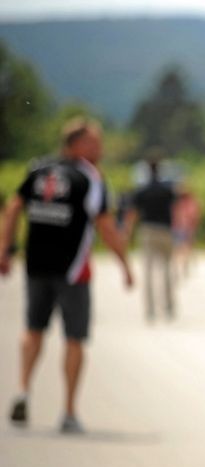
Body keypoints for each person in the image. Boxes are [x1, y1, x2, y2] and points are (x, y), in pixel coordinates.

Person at [1, 117, 134, 433]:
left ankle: (22, 388)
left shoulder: (38, 169)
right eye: (95, 142)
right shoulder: (90, 178)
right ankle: (69, 410)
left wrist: (5, 248)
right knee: (74, 338)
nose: (100, 148)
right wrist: (125, 264)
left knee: (33, 329)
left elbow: (14, 206)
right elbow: (104, 226)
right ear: (78, 144)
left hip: (36, 265)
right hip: (74, 271)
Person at [124, 150, 178, 322]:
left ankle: (150, 309)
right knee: (167, 270)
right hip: (165, 230)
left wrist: (128, 233)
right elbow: (176, 209)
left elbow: (132, 213)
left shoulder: (142, 190)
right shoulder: (167, 189)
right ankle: (168, 305)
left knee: (148, 271)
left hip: (147, 230)